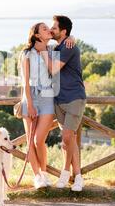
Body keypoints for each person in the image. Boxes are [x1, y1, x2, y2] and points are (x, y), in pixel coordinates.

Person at [34, 15, 87, 192]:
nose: (51, 29)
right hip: (59, 99)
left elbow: (54, 68)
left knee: (66, 137)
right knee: (69, 139)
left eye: (54, 27)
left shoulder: (69, 47)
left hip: (74, 98)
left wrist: (42, 52)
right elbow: (37, 43)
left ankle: (65, 173)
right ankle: (78, 177)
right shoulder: (57, 46)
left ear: (63, 31)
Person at [19, 22, 75, 189]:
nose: (49, 30)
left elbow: (67, 44)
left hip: (47, 97)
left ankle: (44, 173)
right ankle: (38, 177)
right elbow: (25, 82)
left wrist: (72, 37)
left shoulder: (52, 50)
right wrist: (29, 104)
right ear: (37, 35)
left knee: (39, 140)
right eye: (44, 29)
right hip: (29, 97)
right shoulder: (26, 54)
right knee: (30, 141)